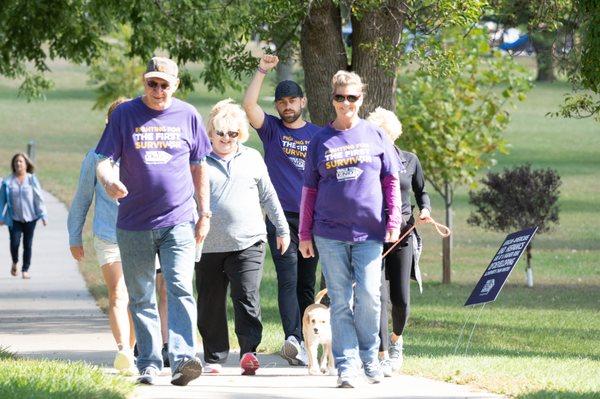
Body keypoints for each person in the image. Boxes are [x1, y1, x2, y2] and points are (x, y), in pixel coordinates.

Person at [95, 56, 212, 386]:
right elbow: (103, 161)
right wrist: (109, 181)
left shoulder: (188, 115)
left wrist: (205, 213)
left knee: (179, 287)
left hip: (178, 220)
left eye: (164, 84)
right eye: (152, 83)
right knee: (142, 294)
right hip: (133, 223)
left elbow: (199, 167)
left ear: (175, 85)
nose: (158, 89)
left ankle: (182, 358)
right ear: (144, 82)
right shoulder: (124, 115)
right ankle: (148, 361)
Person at [299, 70, 403, 388]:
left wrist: (393, 221)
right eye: (339, 97)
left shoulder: (375, 135)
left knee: (370, 295)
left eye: (352, 97)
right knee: (341, 299)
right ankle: (346, 365)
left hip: (369, 232)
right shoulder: (320, 140)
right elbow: (309, 190)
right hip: (328, 233)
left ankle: (370, 357)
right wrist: (304, 234)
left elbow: (391, 181)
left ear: (361, 98)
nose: (346, 103)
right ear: (332, 98)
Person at [195, 99, 290, 376]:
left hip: (249, 241)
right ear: (210, 132)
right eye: (221, 132)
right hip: (208, 244)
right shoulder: (198, 160)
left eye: (233, 133)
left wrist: (282, 228)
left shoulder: (252, 158)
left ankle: (249, 351)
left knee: (246, 296)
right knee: (210, 301)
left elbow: (269, 195)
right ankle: (214, 356)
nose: (226, 138)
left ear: (241, 134)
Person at [242, 54, 321, 366]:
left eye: (292, 101)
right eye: (282, 102)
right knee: (288, 279)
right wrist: (262, 70)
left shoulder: (317, 135)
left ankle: (307, 339)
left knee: (306, 284)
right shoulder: (272, 130)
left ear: (302, 101)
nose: (287, 106)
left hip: (311, 221)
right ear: (276, 106)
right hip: (280, 220)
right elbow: (249, 106)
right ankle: (293, 339)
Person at [68, 98, 138, 373]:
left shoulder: (144, 153)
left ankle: (134, 349)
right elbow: (82, 199)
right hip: (108, 235)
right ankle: (124, 351)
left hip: (141, 235)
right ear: (110, 123)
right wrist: (75, 237)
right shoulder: (95, 156)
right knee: (119, 294)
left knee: (139, 296)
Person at [367, 107, 432, 376]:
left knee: (401, 298)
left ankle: (396, 340)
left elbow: (422, 192)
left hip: (403, 235)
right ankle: (381, 353)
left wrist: (425, 210)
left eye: (385, 134)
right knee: (379, 298)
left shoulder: (410, 160)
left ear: (393, 134)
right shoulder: (368, 162)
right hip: (373, 236)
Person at [0, 153, 47, 279]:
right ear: (13, 165)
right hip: (14, 219)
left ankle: (25, 269)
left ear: (26, 164)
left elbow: (38, 198)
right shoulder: (8, 182)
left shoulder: (31, 179)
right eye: (16, 162)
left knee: (28, 245)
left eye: (21, 161)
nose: (18, 164)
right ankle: (15, 261)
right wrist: (1, 217)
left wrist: (43, 215)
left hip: (30, 218)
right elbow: (2, 201)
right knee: (14, 243)